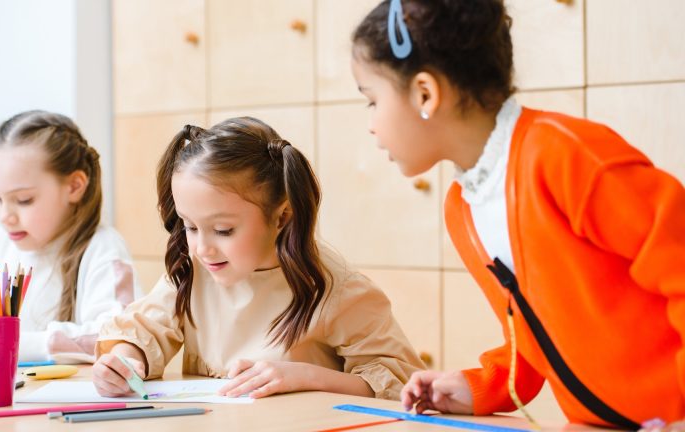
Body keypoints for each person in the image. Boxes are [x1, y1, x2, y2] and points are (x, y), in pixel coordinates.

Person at [350, 0, 685, 428]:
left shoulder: (564, 155)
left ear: (425, 94)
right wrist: (479, 387)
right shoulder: (464, 207)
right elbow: (533, 326)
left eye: (371, 100)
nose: (371, 125)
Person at [92, 117, 424, 400]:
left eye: (223, 230)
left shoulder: (336, 290)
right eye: (190, 226)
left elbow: (399, 381)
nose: (201, 248)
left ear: (281, 217)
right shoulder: (195, 273)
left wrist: (306, 377)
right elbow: (144, 328)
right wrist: (124, 361)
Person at [0, 110, 140, 365]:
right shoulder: (1, 245)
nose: (4, 216)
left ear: (75, 186)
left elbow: (118, 336)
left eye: (24, 200)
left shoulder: (103, 249)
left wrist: (7, 344)